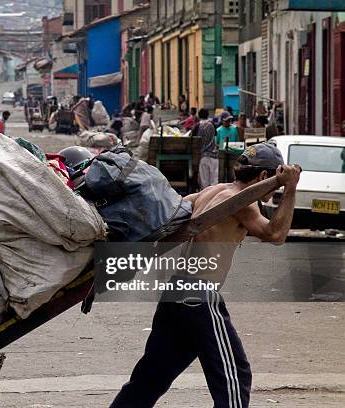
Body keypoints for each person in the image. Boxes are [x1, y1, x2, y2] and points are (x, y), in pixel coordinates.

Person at [110, 143, 301, 408]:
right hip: (198, 296)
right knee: (235, 375)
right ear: (261, 177)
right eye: (274, 184)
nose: (275, 190)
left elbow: (171, 211)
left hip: (174, 293)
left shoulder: (210, 192)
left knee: (150, 377)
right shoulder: (242, 203)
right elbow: (276, 234)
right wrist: (290, 189)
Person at [193, 108, 218, 189]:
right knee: (214, 184)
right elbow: (215, 135)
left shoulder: (197, 126)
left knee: (204, 185)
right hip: (214, 157)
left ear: (199, 115)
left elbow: (193, 139)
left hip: (204, 156)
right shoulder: (212, 124)